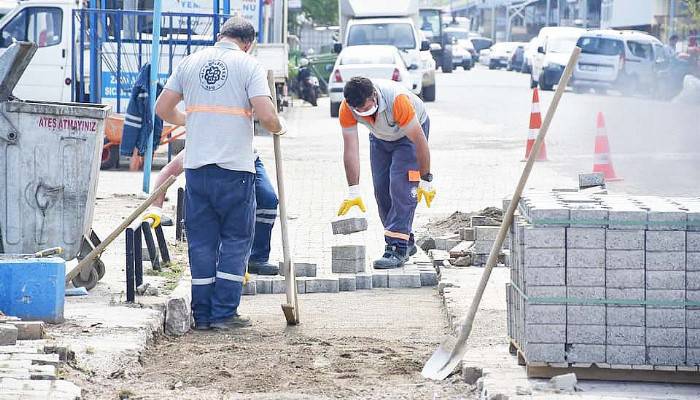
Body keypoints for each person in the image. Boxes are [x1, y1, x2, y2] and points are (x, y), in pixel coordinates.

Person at [155, 17, 285, 331]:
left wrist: (192, 119)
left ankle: (202, 315)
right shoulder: (249, 65)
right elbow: (266, 115)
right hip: (234, 169)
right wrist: (280, 127)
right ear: (249, 42)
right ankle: (224, 313)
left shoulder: (189, 62)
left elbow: (162, 108)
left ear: (219, 36)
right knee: (236, 240)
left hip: (197, 170)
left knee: (201, 243)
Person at [336, 77, 435, 269]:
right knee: (381, 189)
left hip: (409, 137)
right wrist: (353, 190)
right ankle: (406, 241)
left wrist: (426, 178)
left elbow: (420, 141)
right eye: (359, 111)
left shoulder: (398, 101)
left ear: (374, 95)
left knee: (400, 186)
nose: (363, 113)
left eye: (366, 108)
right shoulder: (347, 108)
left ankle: (396, 248)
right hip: (380, 138)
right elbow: (350, 149)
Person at [145, 149, 280, 276]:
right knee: (223, 215)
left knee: (268, 200)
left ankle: (256, 258)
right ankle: (226, 262)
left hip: (247, 160)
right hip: (217, 168)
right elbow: (169, 171)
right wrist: (156, 208)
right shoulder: (202, 144)